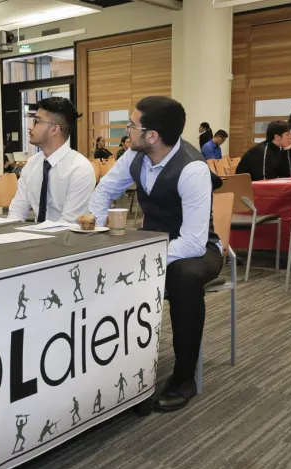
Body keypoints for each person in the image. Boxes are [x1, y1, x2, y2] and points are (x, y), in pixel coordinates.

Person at [88, 96, 223, 412]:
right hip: (153, 244)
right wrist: (92, 228)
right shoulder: (133, 157)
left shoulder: (191, 169)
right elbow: (105, 191)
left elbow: (192, 242)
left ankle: (184, 378)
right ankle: (117, 369)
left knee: (182, 277)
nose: (127, 131)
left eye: (132, 125)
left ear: (152, 136)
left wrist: (142, 254)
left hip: (199, 249)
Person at [6, 97, 94, 223]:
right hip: (36, 236)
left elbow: (69, 223)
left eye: (36, 122)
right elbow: (17, 211)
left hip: (66, 239)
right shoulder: (32, 164)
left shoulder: (80, 168)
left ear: (54, 130)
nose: (30, 127)